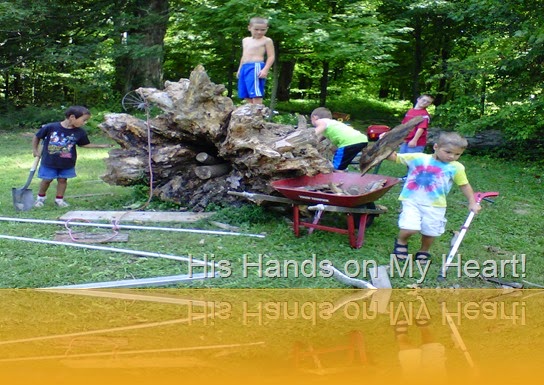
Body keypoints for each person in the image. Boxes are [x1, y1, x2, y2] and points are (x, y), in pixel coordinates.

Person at [387, 131, 481, 264]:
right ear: (436, 147)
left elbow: (464, 185)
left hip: (436, 205)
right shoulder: (419, 158)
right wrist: (384, 145)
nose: (452, 156)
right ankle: (401, 241)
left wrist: (472, 202)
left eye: (457, 154)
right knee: (409, 227)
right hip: (412, 201)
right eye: (448, 152)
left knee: (430, 232)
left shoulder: (456, 168)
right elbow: (394, 157)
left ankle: (424, 250)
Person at [32, 105, 111, 208]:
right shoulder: (51, 127)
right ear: (72, 117)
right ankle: (40, 198)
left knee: (63, 180)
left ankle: (59, 200)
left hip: (67, 162)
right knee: (47, 180)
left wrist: (101, 146)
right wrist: (35, 150)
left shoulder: (80, 132)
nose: (85, 123)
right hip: (49, 161)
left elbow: (84, 144)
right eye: (84, 120)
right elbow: (37, 136)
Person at [236, 16, 275, 105]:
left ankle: (258, 114)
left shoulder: (267, 40)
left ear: (267, 29)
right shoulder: (245, 40)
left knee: (255, 93)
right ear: (249, 28)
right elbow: (244, 55)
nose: (259, 32)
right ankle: (251, 113)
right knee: (245, 93)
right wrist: (239, 69)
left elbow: (271, 56)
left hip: (256, 67)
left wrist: (265, 69)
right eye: (256, 29)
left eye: (263, 30)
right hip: (245, 67)